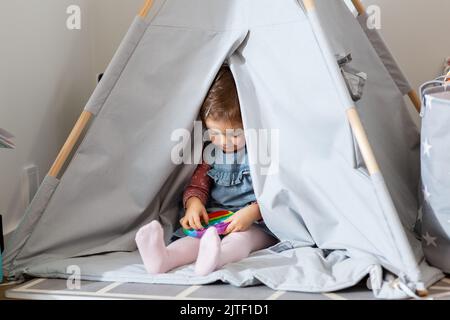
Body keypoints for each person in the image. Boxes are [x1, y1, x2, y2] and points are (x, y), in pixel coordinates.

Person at [135, 65, 278, 276]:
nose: (224, 141)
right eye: (215, 133)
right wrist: (194, 205)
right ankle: (163, 259)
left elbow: (278, 190)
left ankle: (216, 258)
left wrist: (253, 212)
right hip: (217, 218)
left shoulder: (261, 152)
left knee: (241, 240)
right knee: (194, 239)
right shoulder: (211, 152)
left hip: (257, 224)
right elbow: (198, 184)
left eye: (234, 134)